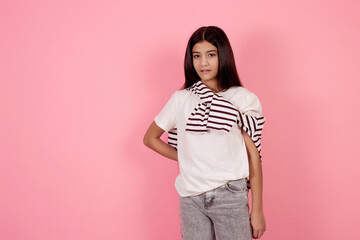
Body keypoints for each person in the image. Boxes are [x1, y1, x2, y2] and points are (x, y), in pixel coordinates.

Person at [143, 26, 266, 240]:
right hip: (190, 198)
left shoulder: (242, 99)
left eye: (211, 55)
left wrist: (257, 210)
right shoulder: (181, 99)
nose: (203, 63)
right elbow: (150, 138)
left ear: (223, 56)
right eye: (196, 56)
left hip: (230, 196)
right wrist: (185, 156)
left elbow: (253, 157)